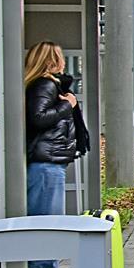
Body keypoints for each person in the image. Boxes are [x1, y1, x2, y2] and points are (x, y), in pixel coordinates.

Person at [25, 41, 78, 216]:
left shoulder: (42, 85)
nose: (63, 62)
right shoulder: (45, 85)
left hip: (47, 160)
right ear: (51, 61)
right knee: (48, 222)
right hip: (46, 163)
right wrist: (67, 105)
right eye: (60, 57)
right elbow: (38, 118)